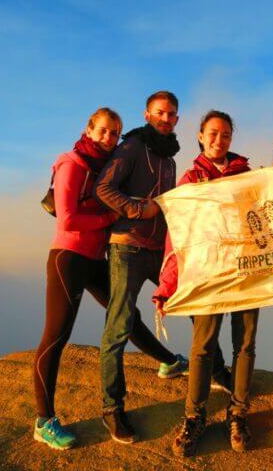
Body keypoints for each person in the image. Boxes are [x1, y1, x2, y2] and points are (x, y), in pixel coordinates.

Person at [32, 107, 187, 450]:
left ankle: (169, 362)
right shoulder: (72, 163)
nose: (109, 138)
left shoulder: (100, 165)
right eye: (103, 131)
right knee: (56, 336)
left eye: (114, 133)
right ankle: (44, 421)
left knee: (125, 316)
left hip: (93, 258)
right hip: (68, 259)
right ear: (88, 129)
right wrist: (110, 215)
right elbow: (68, 219)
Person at [153, 110, 257, 457]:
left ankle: (238, 413)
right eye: (213, 134)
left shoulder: (247, 176)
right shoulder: (189, 182)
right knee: (202, 347)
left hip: (245, 272)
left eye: (225, 135)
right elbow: (176, 239)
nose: (219, 140)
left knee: (244, 344)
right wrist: (167, 285)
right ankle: (194, 416)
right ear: (200, 136)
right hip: (206, 275)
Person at [93, 91, 187, 444]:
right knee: (119, 326)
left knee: (192, 299)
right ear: (147, 114)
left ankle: (202, 368)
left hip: (157, 249)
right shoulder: (132, 147)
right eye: (160, 112)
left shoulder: (170, 158)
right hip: (127, 247)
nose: (166, 118)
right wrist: (136, 209)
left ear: (177, 119)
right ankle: (112, 409)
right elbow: (104, 188)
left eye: (172, 114)